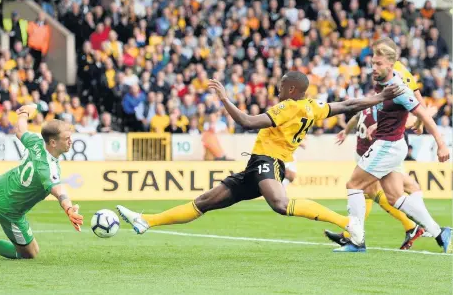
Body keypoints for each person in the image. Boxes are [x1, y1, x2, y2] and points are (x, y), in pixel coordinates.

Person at [116, 71, 403, 237]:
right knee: (205, 201)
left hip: (269, 162)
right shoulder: (312, 106)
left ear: (291, 89)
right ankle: (147, 221)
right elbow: (348, 105)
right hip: (255, 166)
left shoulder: (287, 106)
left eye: (280, 86)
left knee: (279, 203)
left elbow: (247, 122)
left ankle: (347, 223)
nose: (277, 90)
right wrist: (380, 97)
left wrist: (225, 98)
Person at [338, 40, 451, 253]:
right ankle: (439, 232)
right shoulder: (381, 83)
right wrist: (376, 126)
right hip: (388, 143)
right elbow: (385, 111)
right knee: (395, 197)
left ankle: (356, 241)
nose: (373, 68)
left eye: (378, 64)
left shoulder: (399, 89)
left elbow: (423, 114)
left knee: (354, 185)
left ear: (391, 65)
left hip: (388, 146)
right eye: (372, 63)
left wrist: (441, 144)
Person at [0, 106, 84, 259]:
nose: (71, 141)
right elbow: (58, 189)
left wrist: (24, 113)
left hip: (2, 183)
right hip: (9, 209)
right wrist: (69, 208)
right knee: (30, 253)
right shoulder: (47, 167)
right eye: (66, 138)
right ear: (53, 143)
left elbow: (20, 131)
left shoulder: (36, 141)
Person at [325, 103, 426, 250]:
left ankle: (414, 226)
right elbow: (356, 117)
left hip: (374, 157)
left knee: (373, 192)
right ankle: (351, 235)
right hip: (364, 155)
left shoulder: (386, 108)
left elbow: (406, 119)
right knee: (366, 194)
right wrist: (346, 131)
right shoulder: (370, 105)